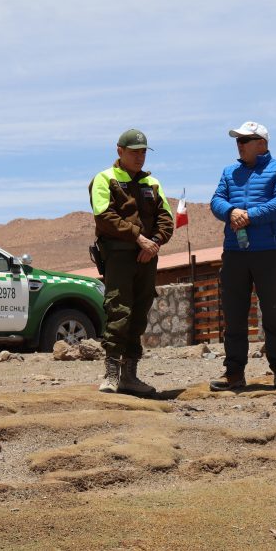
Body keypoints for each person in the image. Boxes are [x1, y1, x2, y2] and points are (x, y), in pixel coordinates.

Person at [209, 121, 276, 391]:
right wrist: (230, 212)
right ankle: (234, 373)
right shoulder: (229, 172)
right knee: (233, 315)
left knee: (273, 312)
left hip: (268, 251)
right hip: (234, 252)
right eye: (238, 140)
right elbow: (216, 200)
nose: (239, 144)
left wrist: (249, 216)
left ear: (262, 143)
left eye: (245, 140)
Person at [89, 128, 174, 395]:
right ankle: (111, 374)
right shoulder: (105, 179)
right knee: (119, 310)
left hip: (147, 257)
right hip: (118, 255)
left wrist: (154, 243)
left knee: (139, 313)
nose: (140, 157)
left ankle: (130, 376)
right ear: (120, 151)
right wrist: (139, 238)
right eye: (134, 152)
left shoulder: (153, 183)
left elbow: (166, 219)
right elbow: (104, 216)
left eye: (143, 152)